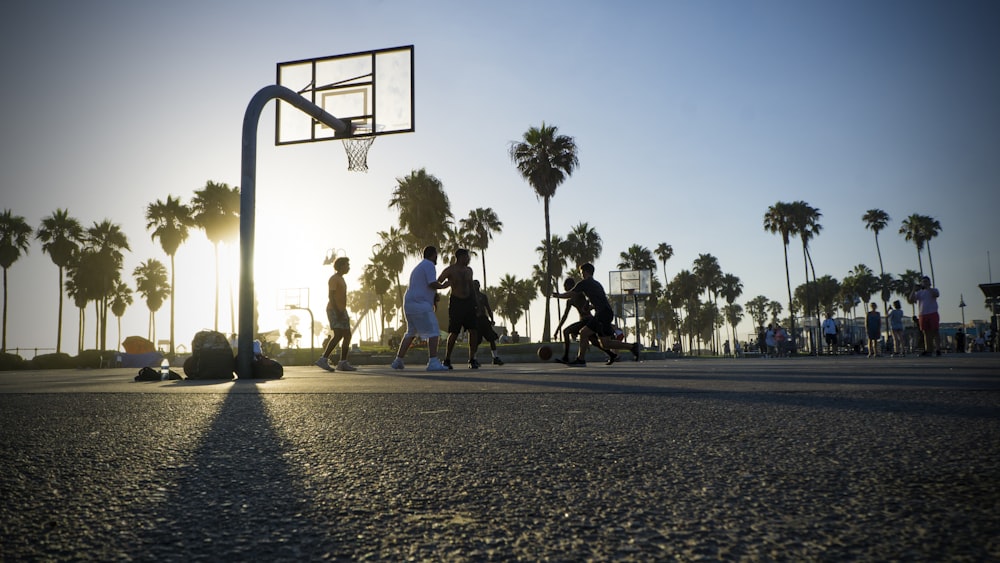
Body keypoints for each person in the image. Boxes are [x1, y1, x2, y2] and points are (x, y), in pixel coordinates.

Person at [554, 263, 639, 366]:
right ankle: (632, 347)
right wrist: (589, 307)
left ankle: (580, 360)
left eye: (581, 273)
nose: (581, 275)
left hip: (602, 314)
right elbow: (600, 300)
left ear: (585, 272)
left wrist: (558, 295)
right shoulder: (597, 284)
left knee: (584, 333)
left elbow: (571, 294)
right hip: (607, 313)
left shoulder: (585, 283)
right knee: (605, 344)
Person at [391, 246, 450, 371]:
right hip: (420, 304)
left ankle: (398, 361)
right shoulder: (429, 265)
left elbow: (426, 286)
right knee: (434, 331)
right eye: (436, 255)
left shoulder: (420, 266)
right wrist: (444, 286)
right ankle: (433, 362)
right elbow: (432, 283)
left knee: (411, 332)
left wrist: (434, 298)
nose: (437, 258)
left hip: (409, 304)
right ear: (433, 255)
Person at [552, 277, 613, 364]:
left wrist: (588, 306)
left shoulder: (579, 294)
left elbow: (589, 299)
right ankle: (611, 354)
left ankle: (565, 357)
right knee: (594, 342)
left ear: (571, 286)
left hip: (588, 319)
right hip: (583, 321)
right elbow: (564, 316)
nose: (564, 287)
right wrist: (557, 330)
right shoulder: (570, 301)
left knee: (566, 331)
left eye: (566, 286)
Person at [438, 248, 480, 369]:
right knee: (454, 332)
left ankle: (472, 358)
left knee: (473, 331)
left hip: (469, 302)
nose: (469, 259)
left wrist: (476, 302)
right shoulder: (450, 270)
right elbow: (438, 282)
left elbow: (471, 287)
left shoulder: (469, 270)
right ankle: (447, 359)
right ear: (461, 257)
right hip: (456, 302)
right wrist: (445, 285)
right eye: (467, 257)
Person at [314, 256, 356, 371]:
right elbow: (330, 295)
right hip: (334, 309)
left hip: (342, 310)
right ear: (341, 266)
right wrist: (337, 312)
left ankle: (342, 362)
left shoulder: (342, 279)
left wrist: (342, 311)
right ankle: (323, 359)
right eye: (347, 265)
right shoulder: (334, 278)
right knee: (338, 335)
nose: (348, 267)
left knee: (347, 335)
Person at [472, 280, 504, 365]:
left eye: (477, 284)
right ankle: (473, 359)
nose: (476, 286)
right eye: (474, 285)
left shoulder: (483, 296)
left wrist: (492, 319)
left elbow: (488, 308)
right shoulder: (470, 296)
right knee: (476, 341)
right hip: (475, 320)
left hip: (484, 320)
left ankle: (495, 357)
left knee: (491, 338)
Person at [909, 276, 941, 356]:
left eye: (926, 281)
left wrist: (928, 288)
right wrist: (913, 290)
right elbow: (911, 300)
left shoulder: (933, 290)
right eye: (923, 282)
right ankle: (928, 350)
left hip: (932, 313)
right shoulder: (920, 293)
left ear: (929, 282)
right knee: (925, 332)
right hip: (922, 314)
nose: (924, 283)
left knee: (935, 331)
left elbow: (936, 295)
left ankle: (938, 349)